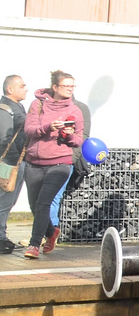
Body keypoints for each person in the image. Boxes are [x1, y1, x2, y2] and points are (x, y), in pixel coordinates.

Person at [21, 71, 83, 259]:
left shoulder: (75, 111)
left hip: (60, 163)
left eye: (72, 86)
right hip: (34, 163)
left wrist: (69, 135)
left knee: (43, 203)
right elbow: (29, 130)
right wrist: (48, 127)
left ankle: (34, 245)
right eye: (66, 86)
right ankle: (51, 232)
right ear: (55, 87)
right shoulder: (37, 105)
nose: (70, 89)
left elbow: (78, 141)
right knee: (35, 205)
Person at [0, 75, 27, 253]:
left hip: (16, 163)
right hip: (9, 164)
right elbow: (4, 138)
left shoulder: (18, 107)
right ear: (11, 89)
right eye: (22, 86)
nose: (26, 88)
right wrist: (14, 161)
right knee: (4, 201)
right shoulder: (6, 108)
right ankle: (0, 238)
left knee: (8, 202)